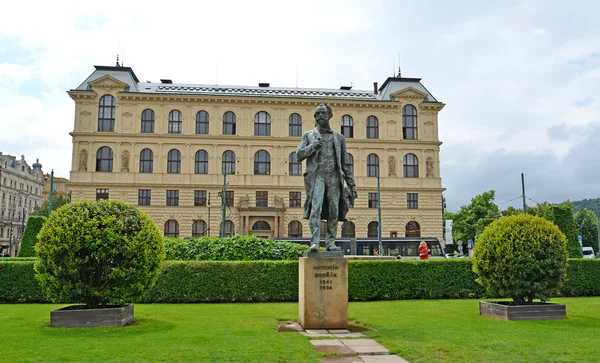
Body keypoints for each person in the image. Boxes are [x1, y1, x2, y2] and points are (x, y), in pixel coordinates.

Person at [296, 103, 358, 252]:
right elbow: (298, 155)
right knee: (315, 208)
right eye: (317, 114)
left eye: (323, 113)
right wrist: (312, 147)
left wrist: (352, 185)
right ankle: (315, 242)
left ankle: (330, 242)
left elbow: (346, 164)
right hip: (317, 176)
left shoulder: (339, 138)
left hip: (334, 177)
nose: (320, 116)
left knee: (334, 210)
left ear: (329, 115)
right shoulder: (308, 136)